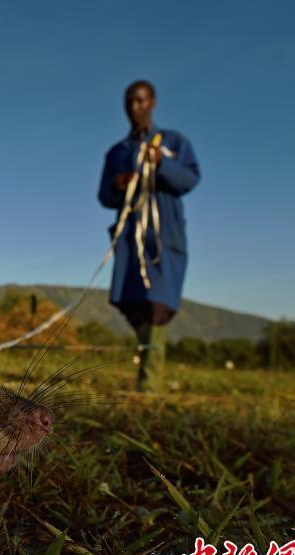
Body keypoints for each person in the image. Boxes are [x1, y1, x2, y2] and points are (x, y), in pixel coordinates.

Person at [97, 80, 200, 392]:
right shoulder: (117, 152)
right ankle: (146, 365)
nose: (135, 107)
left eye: (141, 101)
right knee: (133, 303)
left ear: (153, 102)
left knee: (158, 304)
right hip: (130, 237)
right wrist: (118, 184)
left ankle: (149, 386)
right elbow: (104, 196)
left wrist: (161, 163)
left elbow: (190, 178)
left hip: (164, 235)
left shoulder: (173, 142)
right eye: (130, 101)